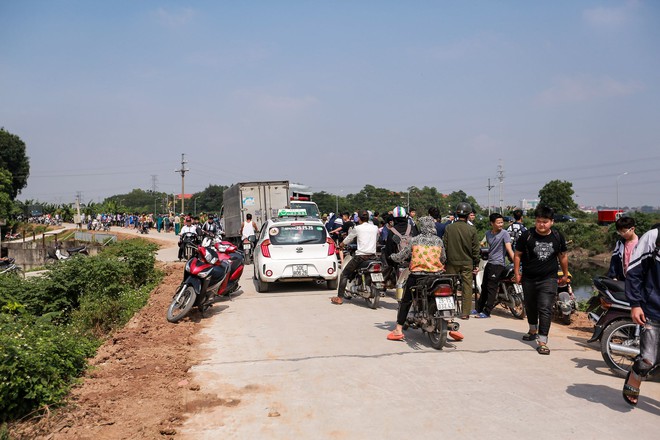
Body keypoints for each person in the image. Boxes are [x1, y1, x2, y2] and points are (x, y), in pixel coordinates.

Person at [386, 216, 463, 341]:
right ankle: (450, 322)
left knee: (406, 301)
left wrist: (392, 257)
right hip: (436, 277)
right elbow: (443, 258)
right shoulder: (439, 241)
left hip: (418, 277)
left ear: (421, 227)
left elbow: (402, 255)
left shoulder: (415, 240)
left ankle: (398, 329)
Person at [513, 205, 568, 355]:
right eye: (538, 221)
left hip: (548, 278)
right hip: (528, 278)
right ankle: (532, 329)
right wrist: (517, 273)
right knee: (530, 305)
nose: (541, 224)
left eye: (545, 221)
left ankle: (542, 341)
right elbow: (517, 255)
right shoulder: (527, 235)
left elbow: (562, 256)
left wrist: (565, 274)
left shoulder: (557, 236)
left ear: (552, 222)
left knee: (545, 308)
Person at [621, 224, 660, 406]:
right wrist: (635, 304)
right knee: (647, 360)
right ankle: (635, 378)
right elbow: (634, 272)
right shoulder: (654, 237)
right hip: (653, 308)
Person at [331, 210, 379, 305]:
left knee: (344, 274)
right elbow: (376, 238)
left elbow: (349, 238)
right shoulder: (375, 227)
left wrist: (341, 245)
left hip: (360, 256)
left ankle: (339, 298)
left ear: (359, 219)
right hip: (373, 256)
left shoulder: (357, 228)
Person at [443, 202, 480, 320]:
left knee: (449, 286)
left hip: (451, 263)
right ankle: (465, 313)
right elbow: (476, 249)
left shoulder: (449, 228)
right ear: (469, 214)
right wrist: (476, 263)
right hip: (467, 263)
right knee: (467, 287)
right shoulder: (472, 229)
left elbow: (445, 246)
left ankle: (449, 310)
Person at [476, 213, 515, 318]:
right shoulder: (488, 233)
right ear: (492, 223)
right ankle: (478, 308)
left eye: (502, 222)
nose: (501, 224)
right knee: (484, 286)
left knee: (491, 288)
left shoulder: (505, 234)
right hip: (490, 263)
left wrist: (516, 261)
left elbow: (509, 249)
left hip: (499, 264)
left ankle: (487, 311)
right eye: (498, 223)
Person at [607, 217, 638, 281]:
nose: (622, 234)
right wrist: (613, 276)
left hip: (638, 279)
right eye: (619, 232)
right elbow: (614, 260)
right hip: (623, 278)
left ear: (632, 229)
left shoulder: (641, 242)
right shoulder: (620, 243)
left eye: (624, 232)